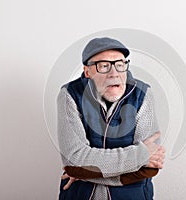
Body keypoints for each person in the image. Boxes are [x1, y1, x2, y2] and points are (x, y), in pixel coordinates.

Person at [57, 37, 165, 200]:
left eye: (120, 65)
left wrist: (86, 173)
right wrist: (139, 156)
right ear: (87, 71)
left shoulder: (143, 94)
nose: (114, 73)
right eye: (104, 66)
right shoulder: (70, 94)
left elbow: (149, 168)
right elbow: (75, 162)